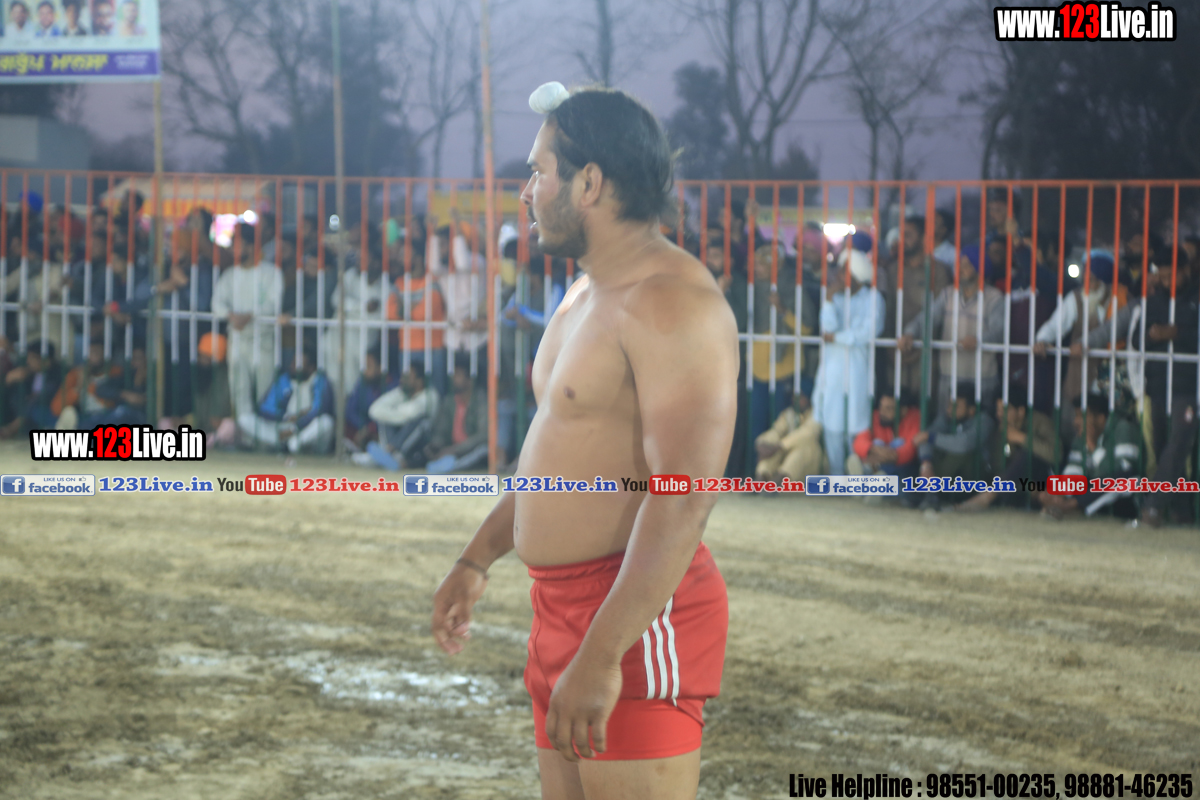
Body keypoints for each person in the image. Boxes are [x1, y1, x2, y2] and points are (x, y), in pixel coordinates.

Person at [431, 83, 738, 800]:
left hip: (634, 620)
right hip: (561, 610)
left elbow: (684, 498)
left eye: (539, 173)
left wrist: (603, 652)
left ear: (589, 183)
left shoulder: (672, 301)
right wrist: (477, 557)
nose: (526, 194)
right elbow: (558, 456)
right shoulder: (584, 291)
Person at [898, 244, 1004, 414]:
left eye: (967, 265)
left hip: (982, 379)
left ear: (980, 269)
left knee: (979, 425)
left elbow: (999, 331)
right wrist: (910, 333)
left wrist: (978, 341)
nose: (960, 269)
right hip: (950, 377)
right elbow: (927, 318)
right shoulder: (948, 294)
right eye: (959, 264)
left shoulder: (994, 297)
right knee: (946, 421)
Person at [813, 248, 885, 475]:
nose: (837, 275)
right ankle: (837, 478)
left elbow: (868, 332)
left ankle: (859, 478)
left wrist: (837, 338)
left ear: (856, 276)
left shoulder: (873, 298)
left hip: (857, 372)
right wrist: (828, 300)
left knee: (856, 425)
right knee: (832, 426)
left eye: (844, 271)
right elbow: (827, 329)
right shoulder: (834, 297)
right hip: (832, 371)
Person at [212, 224, 283, 420]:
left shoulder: (271, 273)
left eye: (238, 245)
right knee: (239, 393)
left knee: (264, 393)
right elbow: (216, 303)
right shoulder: (229, 275)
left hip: (263, 341)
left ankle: (263, 434)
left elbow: (274, 304)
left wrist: (251, 315)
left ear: (252, 247)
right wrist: (231, 315)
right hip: (237, 340)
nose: (233, 250)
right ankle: (243, 432)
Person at [1039, 392, 1140, 520]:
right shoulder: (1081, 437)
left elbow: (1123, 470)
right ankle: (1064, 503)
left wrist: (1093, 447)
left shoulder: (1123, 428)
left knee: (1125, 479)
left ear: (1101, 419)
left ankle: (1069, 506)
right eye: (1076, 416)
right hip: (1093, 494)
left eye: (1082, 416)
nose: (1076, 421)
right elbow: (1074, 470)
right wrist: (1060, 493)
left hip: (1124, 499)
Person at [957, 390, 1058, 512]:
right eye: (998, 410)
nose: (999, 414)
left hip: (1042, 480)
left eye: (1005, 409)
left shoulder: (1039, 422)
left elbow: (1056, 455)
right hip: (1017, 485)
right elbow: (998, 467)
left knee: (1028, 455)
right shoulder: (1000, 430)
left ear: (1020, 411)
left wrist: (1021, 438)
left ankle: (989, 496)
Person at [239, 342, 335, 454]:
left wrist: (296, 426)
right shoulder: (284, 379)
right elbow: (265, 408)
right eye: (293, 362)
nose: (293, 367)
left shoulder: (320, 381)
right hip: (283, 426)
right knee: (244, 419)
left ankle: (294, 445)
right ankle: (282, 444)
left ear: (311, 368)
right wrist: (284, 418)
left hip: (305, 428)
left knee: (326, 422)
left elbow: (320, 410)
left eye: (299, 364)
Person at [915, 384, 995, 511]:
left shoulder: (984, 421)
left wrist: (932, 437)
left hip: (976, 477)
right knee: (925, 453)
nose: (949, 410)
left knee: (960, 454)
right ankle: (929, 493)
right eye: (949, 405)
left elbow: (964, 444)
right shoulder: (947, 418)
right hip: (950, 477)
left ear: (971, 410)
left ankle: (930, 493)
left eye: (955, 406)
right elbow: (924, 437)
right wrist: (926, 463)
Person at [362, 363, 439, 470]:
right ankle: (390, 454)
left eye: (407, 377)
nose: (402, 380)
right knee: (384, 419)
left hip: (419, 444)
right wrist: (397, 414)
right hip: (399, 436)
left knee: (420, 421)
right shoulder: (402, 392)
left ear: (419, 381)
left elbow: (410, 413)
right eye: (402, 376)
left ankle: (391, 454)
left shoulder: (430, 396)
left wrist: (394, 411)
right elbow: (374, 410)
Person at [423, 355, 487, 474]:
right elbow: (441, 430)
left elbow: (483, 435)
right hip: (451, 451)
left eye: (458, 375)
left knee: (484, 450)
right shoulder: (450, 402)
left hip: (469, 449)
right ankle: (446, 464)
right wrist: (436, 446)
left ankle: (453, 466)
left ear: (469, 380)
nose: (453, 379)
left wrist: (454, 450)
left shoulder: (481, 401)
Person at [753, 379, 822, 484]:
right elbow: (776, 431)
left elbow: (807, 433)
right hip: (785, 452)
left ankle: (780, 479)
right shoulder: (789, 413)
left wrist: (780, 446)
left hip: (810, 460)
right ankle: (761, 477)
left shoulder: (816, 415)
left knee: (803, 448)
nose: (795, 399)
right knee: (770, 445)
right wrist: (762, 442)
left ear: (808, 397)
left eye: (801, 396)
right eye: (794, 396)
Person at [848, 393, 922, 479]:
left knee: (899, 443)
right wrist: (874, 449)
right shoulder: (876, 417)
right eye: (881, 407)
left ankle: (869, 470)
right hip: (882, 460)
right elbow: (859, 442)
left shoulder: (915, 418)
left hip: (903, 469)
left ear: (903, 410)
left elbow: (909, 452)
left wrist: (873, 458)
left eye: (888, 408)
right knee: (877, 443)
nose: (882, 412)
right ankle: (873, 472)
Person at [0, 341, 63, 437]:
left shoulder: (57, 374)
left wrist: (31, 398)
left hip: (44, 411)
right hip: (23, 411)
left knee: (34, 406)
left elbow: (47, 395)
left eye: (32, 358)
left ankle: (12, 428)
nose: (28, 361)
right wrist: (8, 380)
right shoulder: (27, 373)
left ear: (46, 360)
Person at [343, 346, 391, 454]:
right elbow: (350, 410)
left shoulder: (389, 385)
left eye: (369, 366)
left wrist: (369, 429)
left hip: (379, 431)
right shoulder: (362, 383)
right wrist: (363, 427)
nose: (365, 371)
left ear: (380, 368)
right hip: (360, 429)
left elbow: (388, 416)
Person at [193, 332, 234, 445]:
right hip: (200, 429)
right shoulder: (199, 375)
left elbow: (223, 413)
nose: (201, 360)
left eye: (206, 357)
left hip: (219, 430)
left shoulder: (225, 376)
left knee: (229, 426)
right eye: (201, 356)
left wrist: (219, 417)